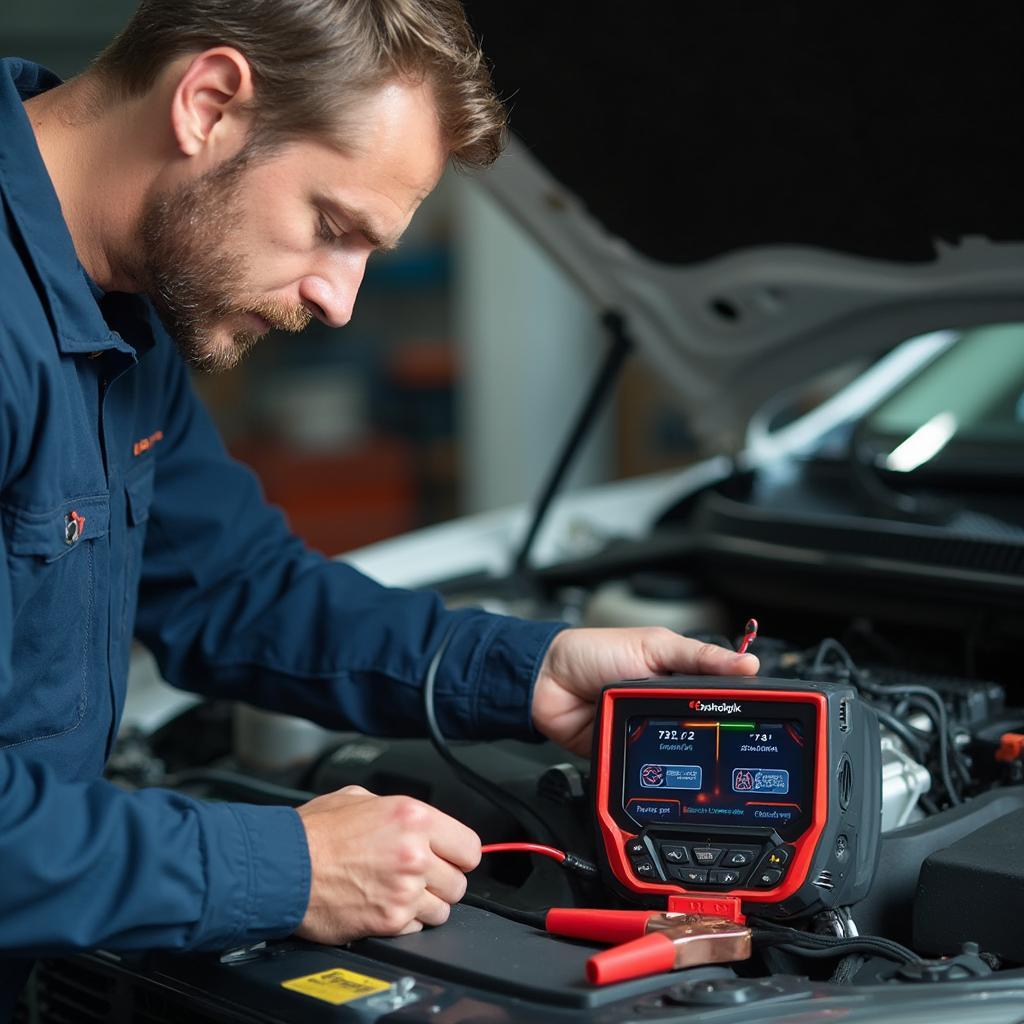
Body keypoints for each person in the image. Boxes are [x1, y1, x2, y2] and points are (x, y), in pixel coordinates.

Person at [0, 0, 758, 1014]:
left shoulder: (117, 298)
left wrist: (525, 672)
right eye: (332, 226)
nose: (338, 300)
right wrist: (286, 865)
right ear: (209, 103)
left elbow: (231, 587)